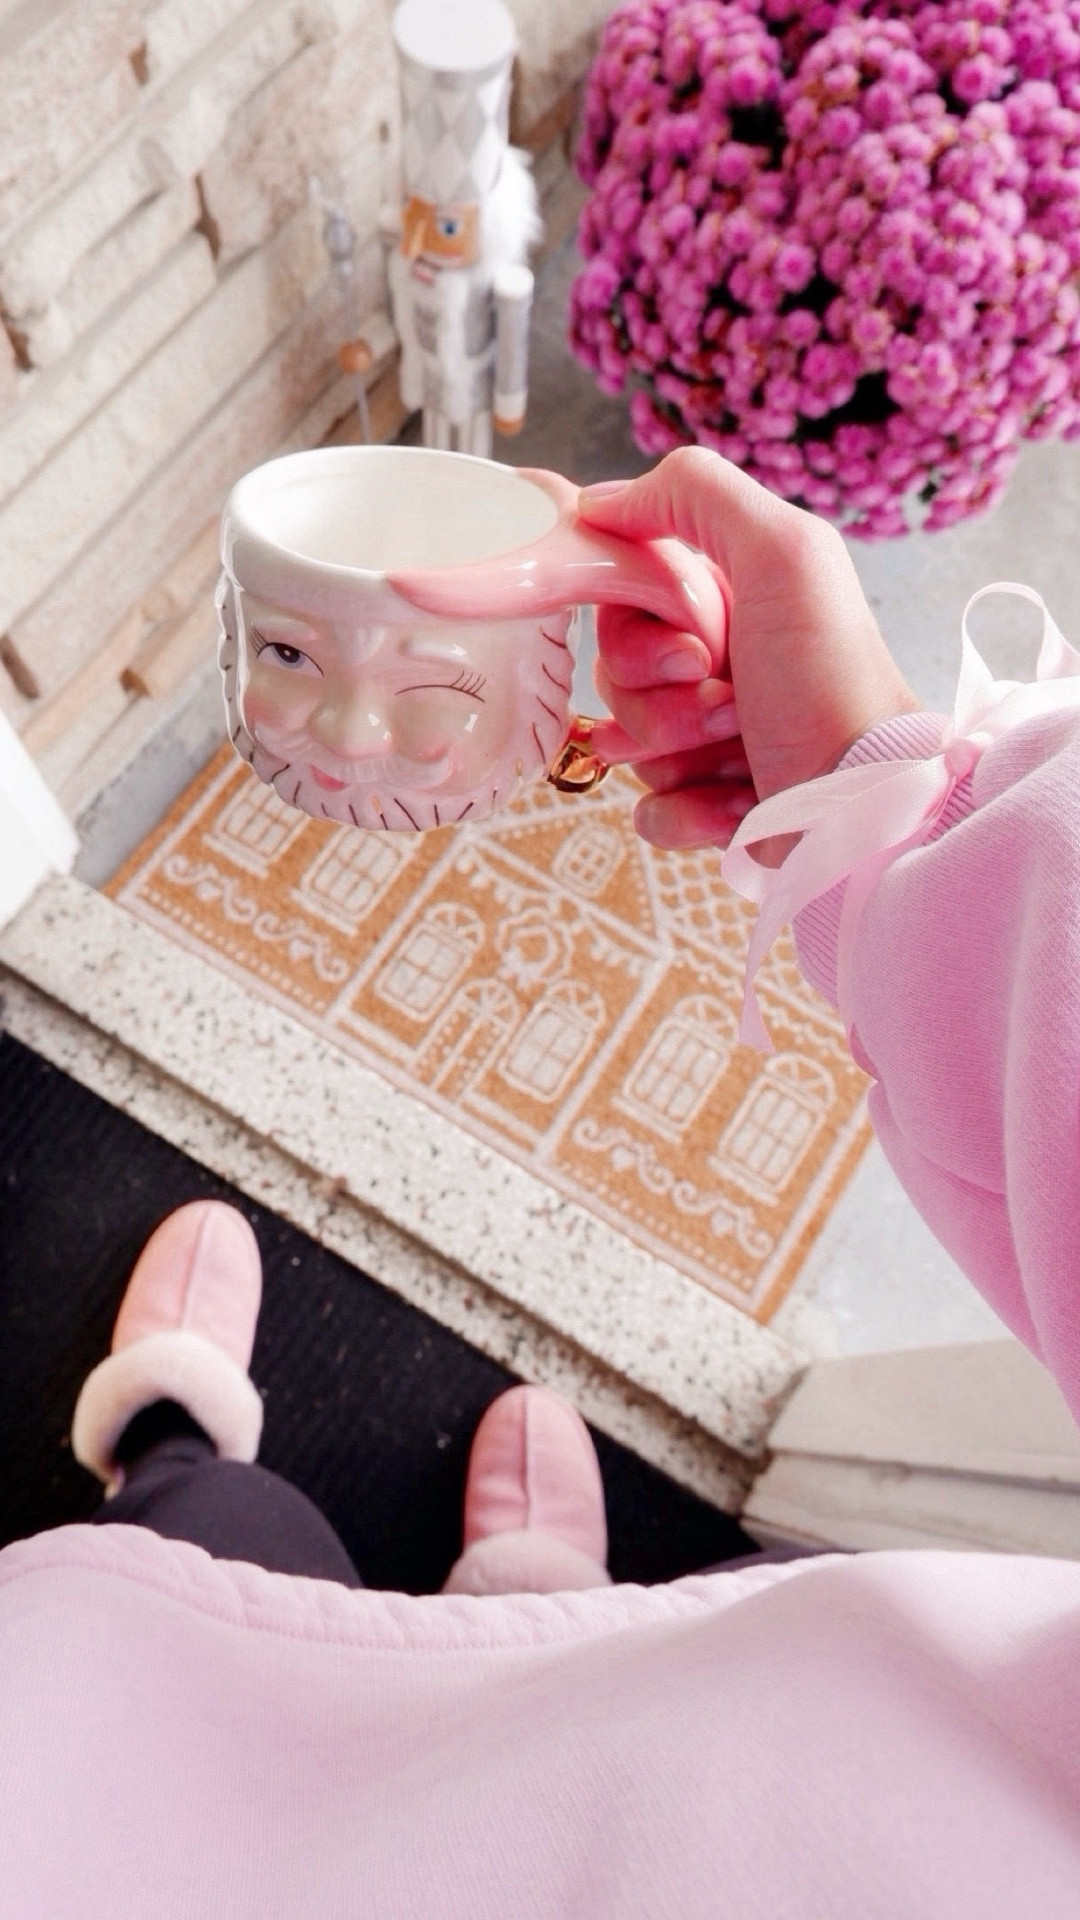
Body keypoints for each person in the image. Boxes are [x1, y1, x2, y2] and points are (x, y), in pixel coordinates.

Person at [3, 445, 1080, 1915]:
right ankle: (538, 1604)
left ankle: (177, 1443)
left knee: (201, 1573)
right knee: (590, 1677)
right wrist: (885, 817)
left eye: (426, 696)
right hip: (717, 1741)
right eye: (296, 659)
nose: (351, 726)